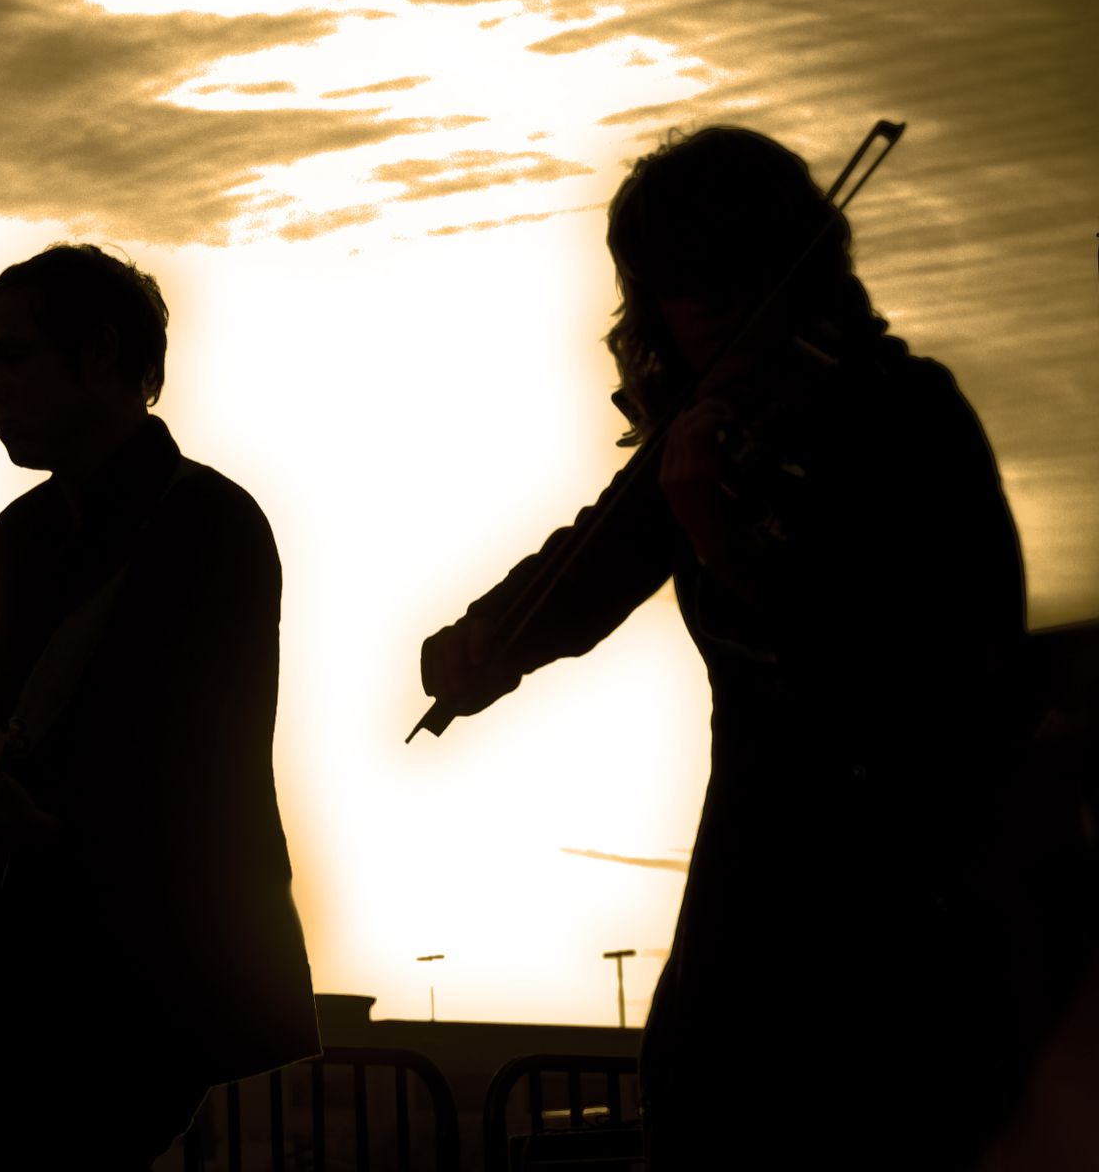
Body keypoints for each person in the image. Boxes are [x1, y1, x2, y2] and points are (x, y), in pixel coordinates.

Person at [419, 127, 1066, 1169]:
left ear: (796, 263)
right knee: (706, 1096)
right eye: (676, 278)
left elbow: (911, 678)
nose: (708, 298)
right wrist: (486, 640)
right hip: (761, 870)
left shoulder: (906, 417)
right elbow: (596, 549)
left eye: (733, 265)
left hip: (907, 881)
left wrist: (730, 551)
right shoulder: (712, 434)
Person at [0, 244, 318, 1169]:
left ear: (103, 355)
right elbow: (13, 739)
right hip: (19, 969)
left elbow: (204, 766)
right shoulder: (23, 534)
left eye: (11, 357)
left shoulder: (212, 525)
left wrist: (40, 830)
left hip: (138, 976)